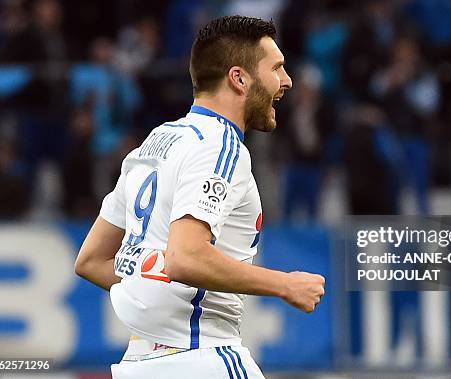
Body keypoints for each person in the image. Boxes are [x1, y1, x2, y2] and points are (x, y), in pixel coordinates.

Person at [74, 15, 325, 379]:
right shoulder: (221, 147)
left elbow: (92, 260)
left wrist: (151, 289)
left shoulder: (157, 141)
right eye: (277, 68)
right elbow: (186, 257)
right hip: (202, 357)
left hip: (137, 364)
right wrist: (285, 285)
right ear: (239, 78)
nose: (286, 81)